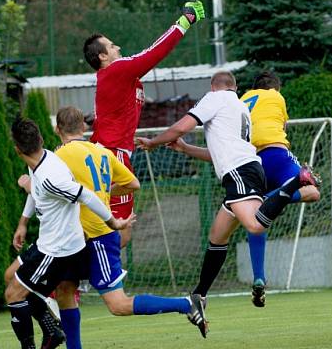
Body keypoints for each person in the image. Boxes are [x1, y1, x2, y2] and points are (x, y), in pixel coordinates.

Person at [136, 71, 319, 334]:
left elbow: (182, 127)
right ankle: (199, 296)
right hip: (244, 169)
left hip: (239, 173)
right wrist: (186, 149)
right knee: (218, 236)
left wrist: (153, 142)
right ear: (235, 87)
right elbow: (219, 153)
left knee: (255, 225)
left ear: (214, 87)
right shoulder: (239, 108)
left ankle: (296, 181)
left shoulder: (215, 98)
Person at [13, 107, 208, 345]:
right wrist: (104, 193)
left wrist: (27, 194)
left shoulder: (59, 157)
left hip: (96, 236)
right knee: (64, 288)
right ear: (84, 128)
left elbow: (49, 190)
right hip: (80, 239)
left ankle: (186, 304)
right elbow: (133, 184)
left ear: (56, 129)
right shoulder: (102, 151)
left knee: (118, 304)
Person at [3, 118, 133, 349]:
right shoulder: (44, 159)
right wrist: (23, 222)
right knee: (23, 282)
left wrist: (113, 222)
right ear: (40, 140)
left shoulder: (51, 176)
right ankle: (56, 336)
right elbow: (37, 192)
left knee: (14, 294)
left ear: (17, 149)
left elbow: (85, 194)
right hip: (56, 244)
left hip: (56, 250)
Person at [83, 0, 205, 250]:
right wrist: (184, 22)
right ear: (102, 56)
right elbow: (152, 53)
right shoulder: (116, 70)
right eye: (112, 46)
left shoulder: (115, 77)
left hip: (113, 152)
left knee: (114, 230)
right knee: (119, 231)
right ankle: (86, 278)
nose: (118, 47)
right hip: (112, 154)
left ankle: (85, 277)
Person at [239, 71, 320, 307]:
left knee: (257, 221)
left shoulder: (242, 100)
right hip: (276, 154)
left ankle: (259, 277)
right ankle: (274, 198)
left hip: (249, 161)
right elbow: (282, 124)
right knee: (313, 192)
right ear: (275, 88)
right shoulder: (275, 96)